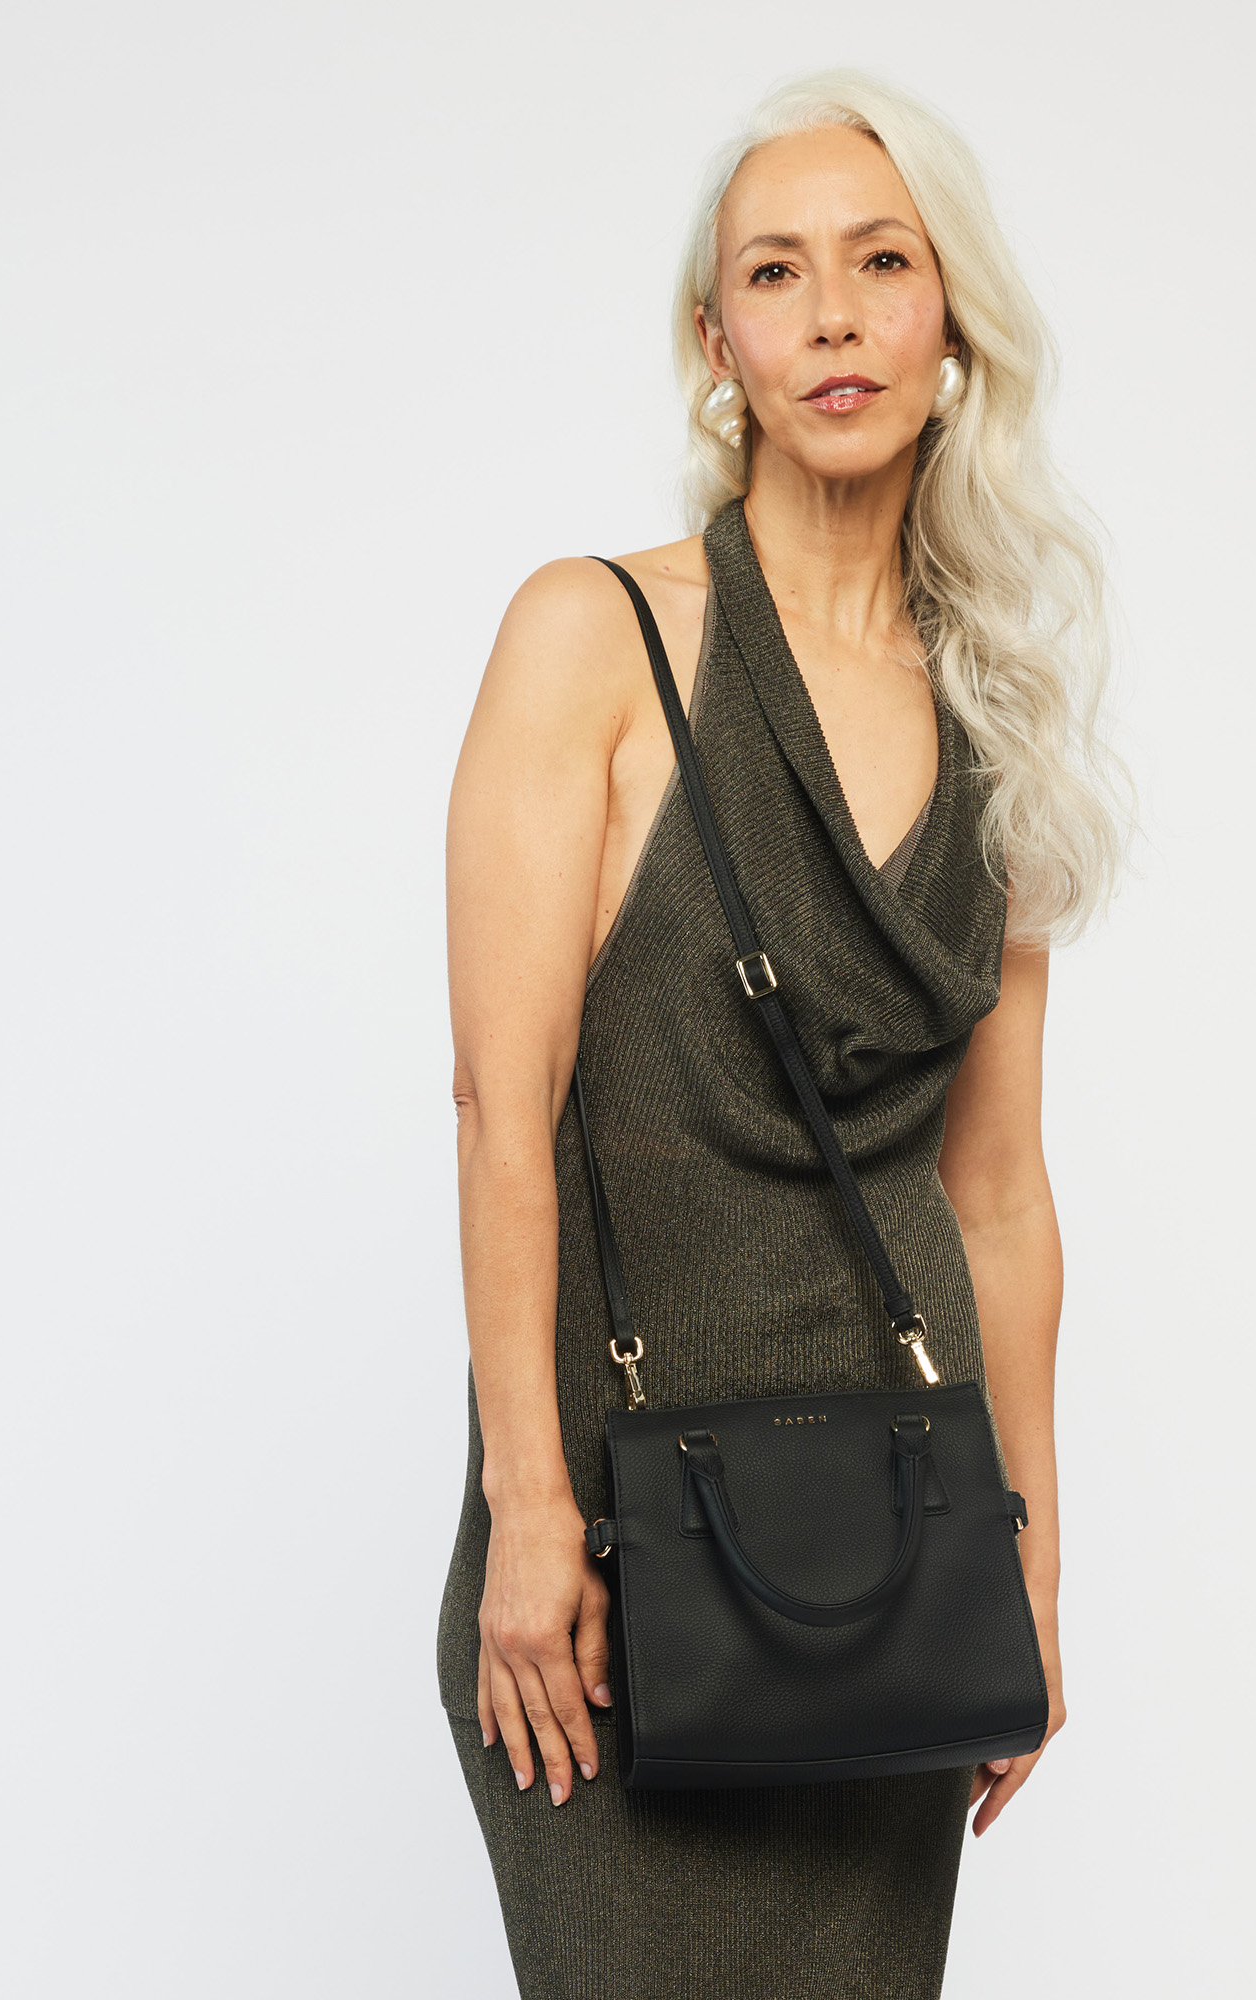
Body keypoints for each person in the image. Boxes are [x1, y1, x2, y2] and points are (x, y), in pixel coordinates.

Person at [437, 69, 1124, 2000]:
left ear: (952, 320)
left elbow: (999, 1195)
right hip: (619, 1561)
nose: (833, 315)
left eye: (883, 263)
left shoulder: (997, 715)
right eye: (776, 272)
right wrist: (527, 1513)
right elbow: (501, 1108)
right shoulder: (594, 637)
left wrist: (1030, 1561)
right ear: (714, 341)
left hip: (899, 1555)